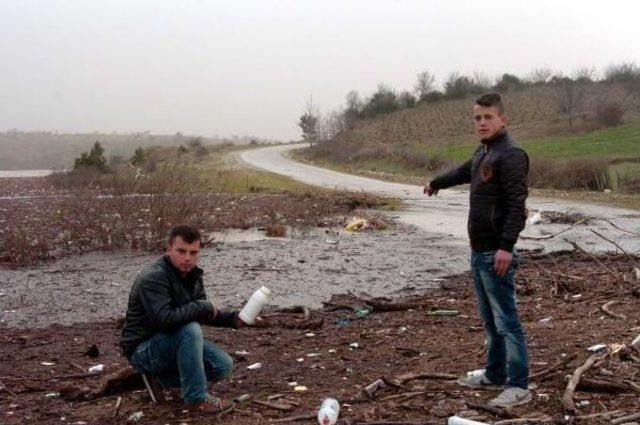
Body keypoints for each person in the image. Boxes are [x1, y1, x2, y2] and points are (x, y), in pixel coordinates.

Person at [424, 92, 531, 407]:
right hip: (479, 251)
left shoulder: (511, 155)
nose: (482, 122)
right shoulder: (483, 152)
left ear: (502, 119)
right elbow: (461, 172)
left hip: (496, 254)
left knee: (507, 321)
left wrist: (506, 247)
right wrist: (436, 183)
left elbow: (516, 205)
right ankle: (494, 374)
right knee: (490, 320)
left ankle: (518, 385)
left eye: (488, 117)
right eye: (477, 117)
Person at [120, 224, 247, 414]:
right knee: (190, 329)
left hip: (169, 342)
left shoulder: (193, 275)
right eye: (181, 251)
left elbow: (200, 312)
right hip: (142, 350)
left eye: (193, 252)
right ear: (169, 249)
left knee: (222, 365)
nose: (187, 258)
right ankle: (196, 399)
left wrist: (232, 319)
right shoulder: (154, 277)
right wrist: (203, 306)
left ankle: (160, 379)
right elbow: (165, 320)